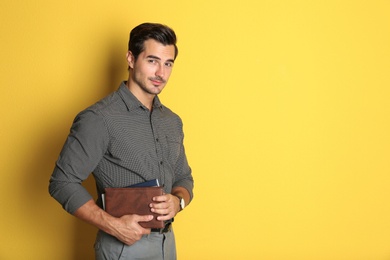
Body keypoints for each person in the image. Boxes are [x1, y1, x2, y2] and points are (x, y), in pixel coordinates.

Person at [49, 22, 194, 260]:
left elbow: (184, 178)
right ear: (130, 58)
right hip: (123, 248)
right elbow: (61, 182)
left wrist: (178, 201)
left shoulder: (172, 121)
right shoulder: (99, 118)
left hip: (168, 245)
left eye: (168, 64)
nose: (161, 73)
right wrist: (113, 226)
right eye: (152, 60)